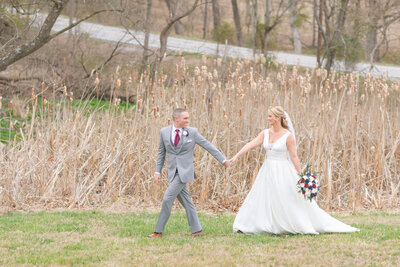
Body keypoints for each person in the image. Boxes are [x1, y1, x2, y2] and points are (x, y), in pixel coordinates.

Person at [229, 106, 359, 235]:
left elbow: (294, 156)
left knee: (285, 197)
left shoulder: (288, 136)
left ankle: (289, 223)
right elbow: (250, 145)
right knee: (262, 196)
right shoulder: (265, 133)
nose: (268, 118)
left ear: (278, 118)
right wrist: (236, 156)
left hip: (282, 171)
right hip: (267, 170)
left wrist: (301, 176)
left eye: (270, 116)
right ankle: (257, 224)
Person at [149, 108, 229, 238]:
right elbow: (161, 153)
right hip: (172, 172)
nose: (188, 120)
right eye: (185, 118)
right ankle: (197, 230)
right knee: (187, 202)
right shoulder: (164, 132)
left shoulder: (192, 132)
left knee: (167, 199)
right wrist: (157, 171)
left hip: (184, 173)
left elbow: (208, 145)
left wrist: (223, 160)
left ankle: (158, 231)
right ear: (177, 119)